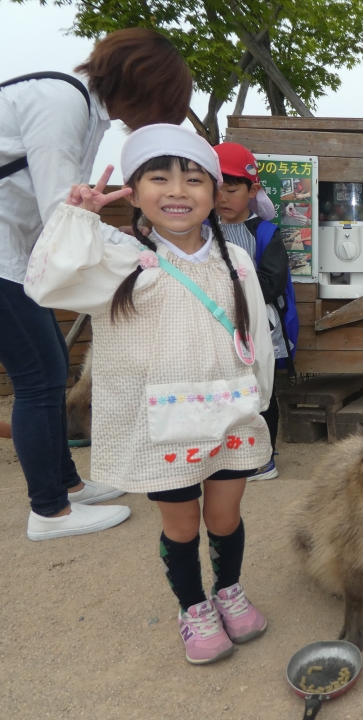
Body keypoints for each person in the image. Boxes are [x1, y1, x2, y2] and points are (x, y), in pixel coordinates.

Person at [25, 124, 274, 664]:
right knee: (181, 525)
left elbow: (253, 335)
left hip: (230, 414)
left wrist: (261, 399)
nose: (178, 191)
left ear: (215, 193)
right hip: (164, 426)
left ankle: (228, 589)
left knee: (225, 516)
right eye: (159, 178)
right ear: (135, 194)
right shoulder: (117, 258)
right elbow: (44, 285)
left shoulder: (236, 261)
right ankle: (194, 607)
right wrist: (77, 218)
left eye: (194, 179)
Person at [0, 28, 192, 541]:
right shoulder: (59, 102)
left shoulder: (85, 112)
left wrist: (119, 238)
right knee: (38, 377)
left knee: (52, 368)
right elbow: (62, 216)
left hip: (16, 254)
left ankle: (68, 485)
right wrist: (140, 254)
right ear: (142, 86)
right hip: (2, 255)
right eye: (163, 108)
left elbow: (71, 213)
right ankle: (49, 512)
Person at [213, 141, 299, 481]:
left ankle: (263, 458)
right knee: (223, 391)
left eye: (231, 189)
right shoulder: (202, 231)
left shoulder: (265, 232)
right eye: (216, 188)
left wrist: (224, 284)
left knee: (260, 390)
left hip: (257, 328)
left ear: (252, 190)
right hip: (216, 328)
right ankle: (227, 452)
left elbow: (270, 284)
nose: (222, 197)